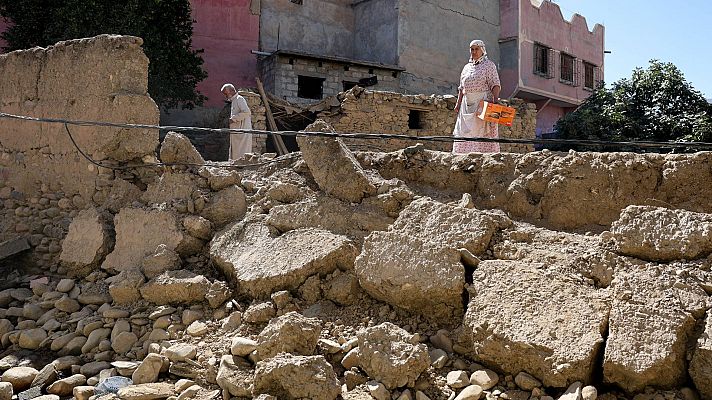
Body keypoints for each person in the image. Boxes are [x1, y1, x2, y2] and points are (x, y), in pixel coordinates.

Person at [453, 39, 502, 154]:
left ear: (482, 50)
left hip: (482, 102)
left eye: (476, 49)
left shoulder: (489, 65)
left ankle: (479, 157)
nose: (474, 52)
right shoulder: (466, 68)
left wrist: (495, 101)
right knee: (463, 131)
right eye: (472, 49)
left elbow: (495, 84)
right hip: (466, 104)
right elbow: (461, 88)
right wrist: (458, 104)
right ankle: (462, 156)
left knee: (480, 131)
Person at [221, 83, 253, 160]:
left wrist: (234, 119)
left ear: (232, 91)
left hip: (242, 132)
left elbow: (247, 112)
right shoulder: (234, 100)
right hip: (237, 133)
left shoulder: (239, 99)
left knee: (242, 153)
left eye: (226, 94)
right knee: (236, 153)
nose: (225, 96)